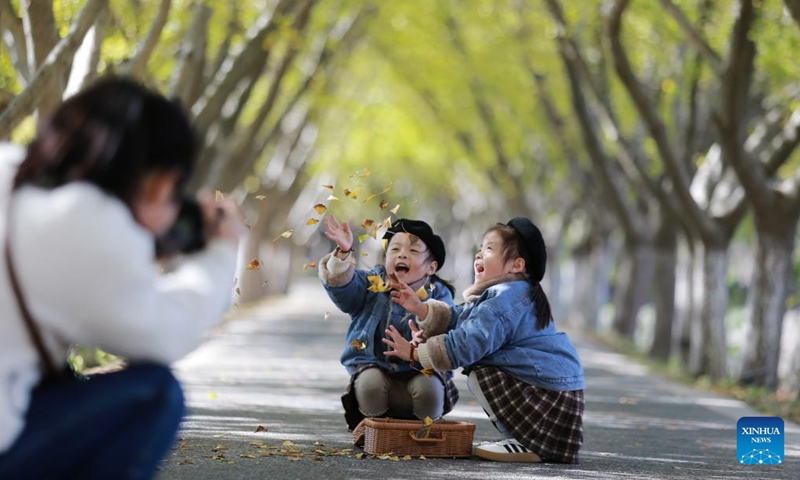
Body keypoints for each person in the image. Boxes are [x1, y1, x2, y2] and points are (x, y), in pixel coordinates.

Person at [0, 76, 247, 479]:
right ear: (158, 181)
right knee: (155, 393)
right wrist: (221, 251)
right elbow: (163, 334)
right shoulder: (88, 220)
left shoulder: (10, 167)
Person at [383, 217, 585, 463]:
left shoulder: (505, 299)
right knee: (480, 364)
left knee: (479, 370)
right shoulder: (511, 292)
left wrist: (415, 354)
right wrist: (420, 308)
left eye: (488, 249)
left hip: (550, 397)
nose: (478, 255)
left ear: (516, 265)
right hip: (556, 392)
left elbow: (467, 345)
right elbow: (461, 317)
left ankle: (527, 443)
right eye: (479, 249)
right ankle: (526, 440)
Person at [319, 214, 458, 430]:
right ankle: (379, 431)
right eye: (395, 249)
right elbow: (344, 289)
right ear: (385, 259)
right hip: (376, 377)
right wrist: (344, 253)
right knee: (370, 383)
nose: (402, 255)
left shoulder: (439, 294)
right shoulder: (372, 284)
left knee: (429, 388)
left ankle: (422, 432)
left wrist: (422, 314)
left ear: (431, 267)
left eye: (413, 251)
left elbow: (447, 325)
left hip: (420, 378)